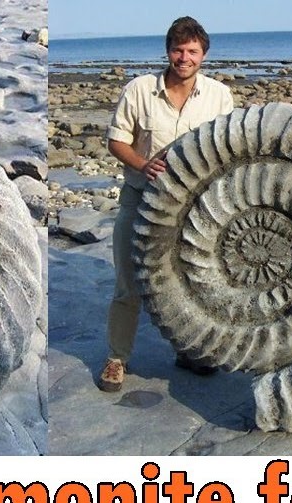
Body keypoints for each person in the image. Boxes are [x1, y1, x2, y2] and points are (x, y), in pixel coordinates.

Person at [99, 16, 234, 392]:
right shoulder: (140, 89)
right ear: (167, 51)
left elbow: (227, 148)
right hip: (140, 199)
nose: (184, 57)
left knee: (188, 283)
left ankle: (188, 350)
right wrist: (143, 164)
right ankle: (116, 358)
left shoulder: (219, 96)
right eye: (178, 49)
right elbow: (116, 141)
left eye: (192, 51)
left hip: (194, 210)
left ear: (204, 55)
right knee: (129, 282)